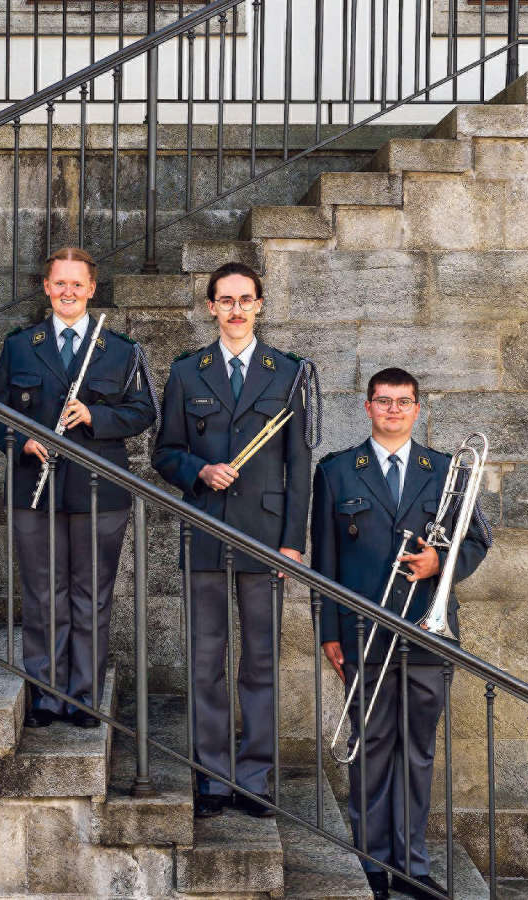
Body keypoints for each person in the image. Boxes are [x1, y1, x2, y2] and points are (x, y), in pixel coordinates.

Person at [310, 367, 491, 900]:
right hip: (362, 631)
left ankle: (412, 865)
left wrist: (441, 563)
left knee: (417, 752)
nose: (393, 410)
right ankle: (371, 862)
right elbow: (324, 561)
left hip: (426, 632)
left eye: (403, 401)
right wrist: (329, 630)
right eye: (383, 401)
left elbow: (478, 540)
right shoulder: (337, 471)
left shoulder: (446, 470)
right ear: (367, 407)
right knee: (371, 749)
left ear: (418, 409)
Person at [152, 262, 317, 819]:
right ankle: (212, 777)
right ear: (211, 308)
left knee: (260, 662)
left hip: (265, 536)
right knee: (206, 662)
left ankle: (257, 779)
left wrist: (292, 542)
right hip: (204, 531)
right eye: (226, 300)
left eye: (246, 299)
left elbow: (299, 462)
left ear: (261, 305)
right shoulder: (187, 372)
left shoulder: (287, 372)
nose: (237, 309)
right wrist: (199, 471)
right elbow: (165, 452)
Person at [0, 247, 157, 728]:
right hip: (34, 491)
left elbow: (143, 412)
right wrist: (22, 442)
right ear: (46, 287)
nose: (68, 292)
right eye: (60, 283)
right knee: (43, 595)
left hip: (99, 492)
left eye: (77, 284)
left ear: (92, 289)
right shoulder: (20, 344)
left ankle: (82, 696)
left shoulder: (120, 349)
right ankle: (46, 695)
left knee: (90, 597)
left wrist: (95, 415)